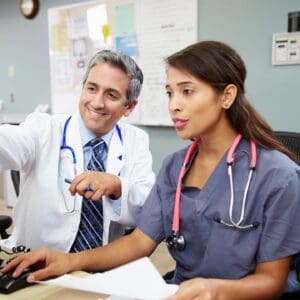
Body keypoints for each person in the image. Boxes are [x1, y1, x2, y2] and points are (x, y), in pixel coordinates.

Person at [3, 41, 300, 299]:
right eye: (170, 93)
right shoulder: (175, 167)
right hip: (178, 291)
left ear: (227, 96)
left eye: (187, 91)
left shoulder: (278, 175)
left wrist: (217, 291)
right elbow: (139, 241)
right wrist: (70, 262)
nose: (174, 105)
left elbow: (272, 282)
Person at [0, 49, 155, 253]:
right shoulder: (44, 128)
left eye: (111, 94)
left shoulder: (136, 140)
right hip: (35, 262)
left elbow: (148, 206)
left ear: (130, 106)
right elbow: (7, 142)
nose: (97, 102)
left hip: (100, 267)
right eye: (91, 89)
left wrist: (118, 186)